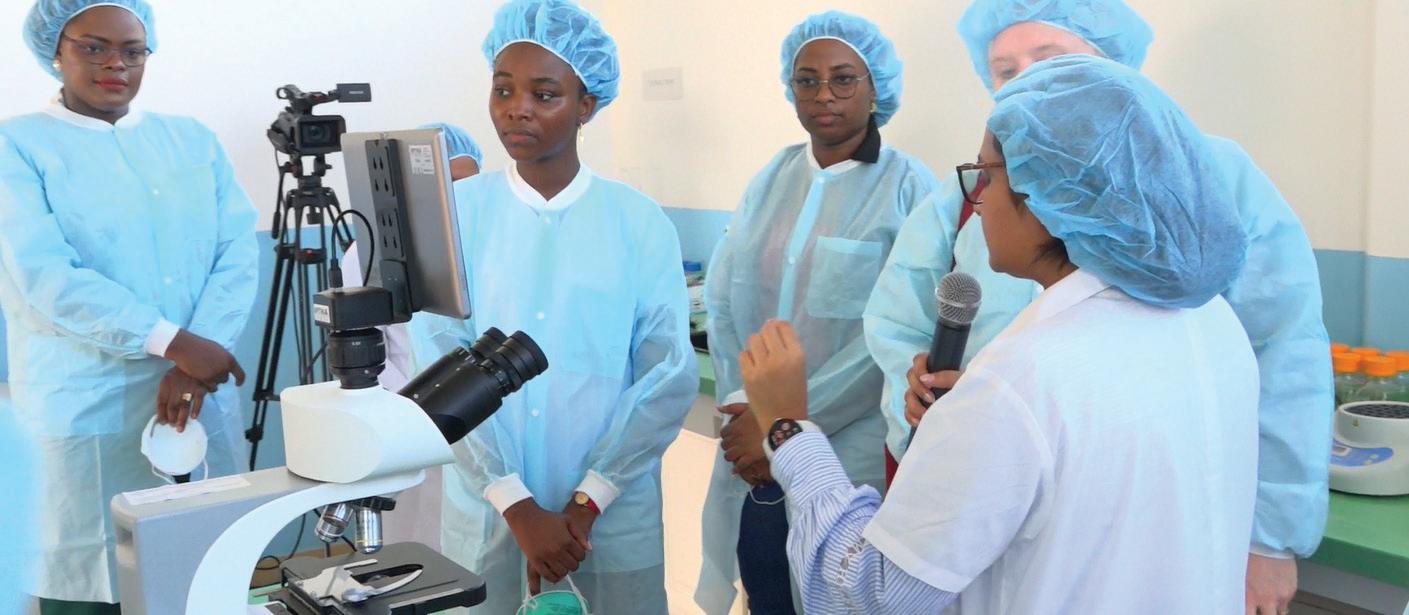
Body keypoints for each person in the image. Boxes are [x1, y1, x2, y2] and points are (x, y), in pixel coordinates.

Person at [745, 54, 1260, 614]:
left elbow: (868, 594)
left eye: (987, 175)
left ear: (1046, 199)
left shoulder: (1021, 378)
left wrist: (787, 427)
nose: (979, 201)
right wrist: (974, 415)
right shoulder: (1212, 323)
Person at [863, 3, 1331, 612]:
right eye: (1005, 70)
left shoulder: (1208, 176)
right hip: (1001, 504)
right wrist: (953, 420)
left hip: (1164, 506)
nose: (1026, 81)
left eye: (1050, 60)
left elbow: (1284, 349)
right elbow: (899, 325)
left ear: (1115, 68)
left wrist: (1269, 538)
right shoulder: (971, 196)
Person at [412, 1, 697, 612]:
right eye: (503, 90)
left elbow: (667, 372)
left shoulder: (637, 222)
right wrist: (515, 504)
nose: (517, 108)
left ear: (585, 105)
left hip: (608, 519)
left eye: (544, 95)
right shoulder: (457, 215)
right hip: (490, 513)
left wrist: (587, 502)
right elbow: (438, 365)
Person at [0, 1, 258, 612]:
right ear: (54, 51)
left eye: (132, 50)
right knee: (89, 579)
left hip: (195, 391)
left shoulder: (190, 139)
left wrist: (196, 360)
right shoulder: (18, 145)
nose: (115, 63)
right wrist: (174, 342)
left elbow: (236, 253)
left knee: (200, 572)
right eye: (93, 47)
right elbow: (45, 275)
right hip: (85, 400)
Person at [695, 11, 951, 614]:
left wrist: (780, 424)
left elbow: (892, 337)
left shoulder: (910, 189)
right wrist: (748, 405)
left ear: (875, 88)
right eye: (806, 81)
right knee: (766, 580)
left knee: (835, 587)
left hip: (849, 448)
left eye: (843, 79)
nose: (823, 96)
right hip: (753, 435)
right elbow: (727, 300)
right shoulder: (771, 178)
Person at [335, 121, 483, 554]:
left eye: (470, 185)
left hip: (486, 430)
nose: (460, 198)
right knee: (416, 551)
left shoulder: (493, 246)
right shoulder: (369, 253)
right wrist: (420, 410)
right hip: (408, 427)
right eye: (449, 186)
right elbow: (366, 351)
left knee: (481, 551)